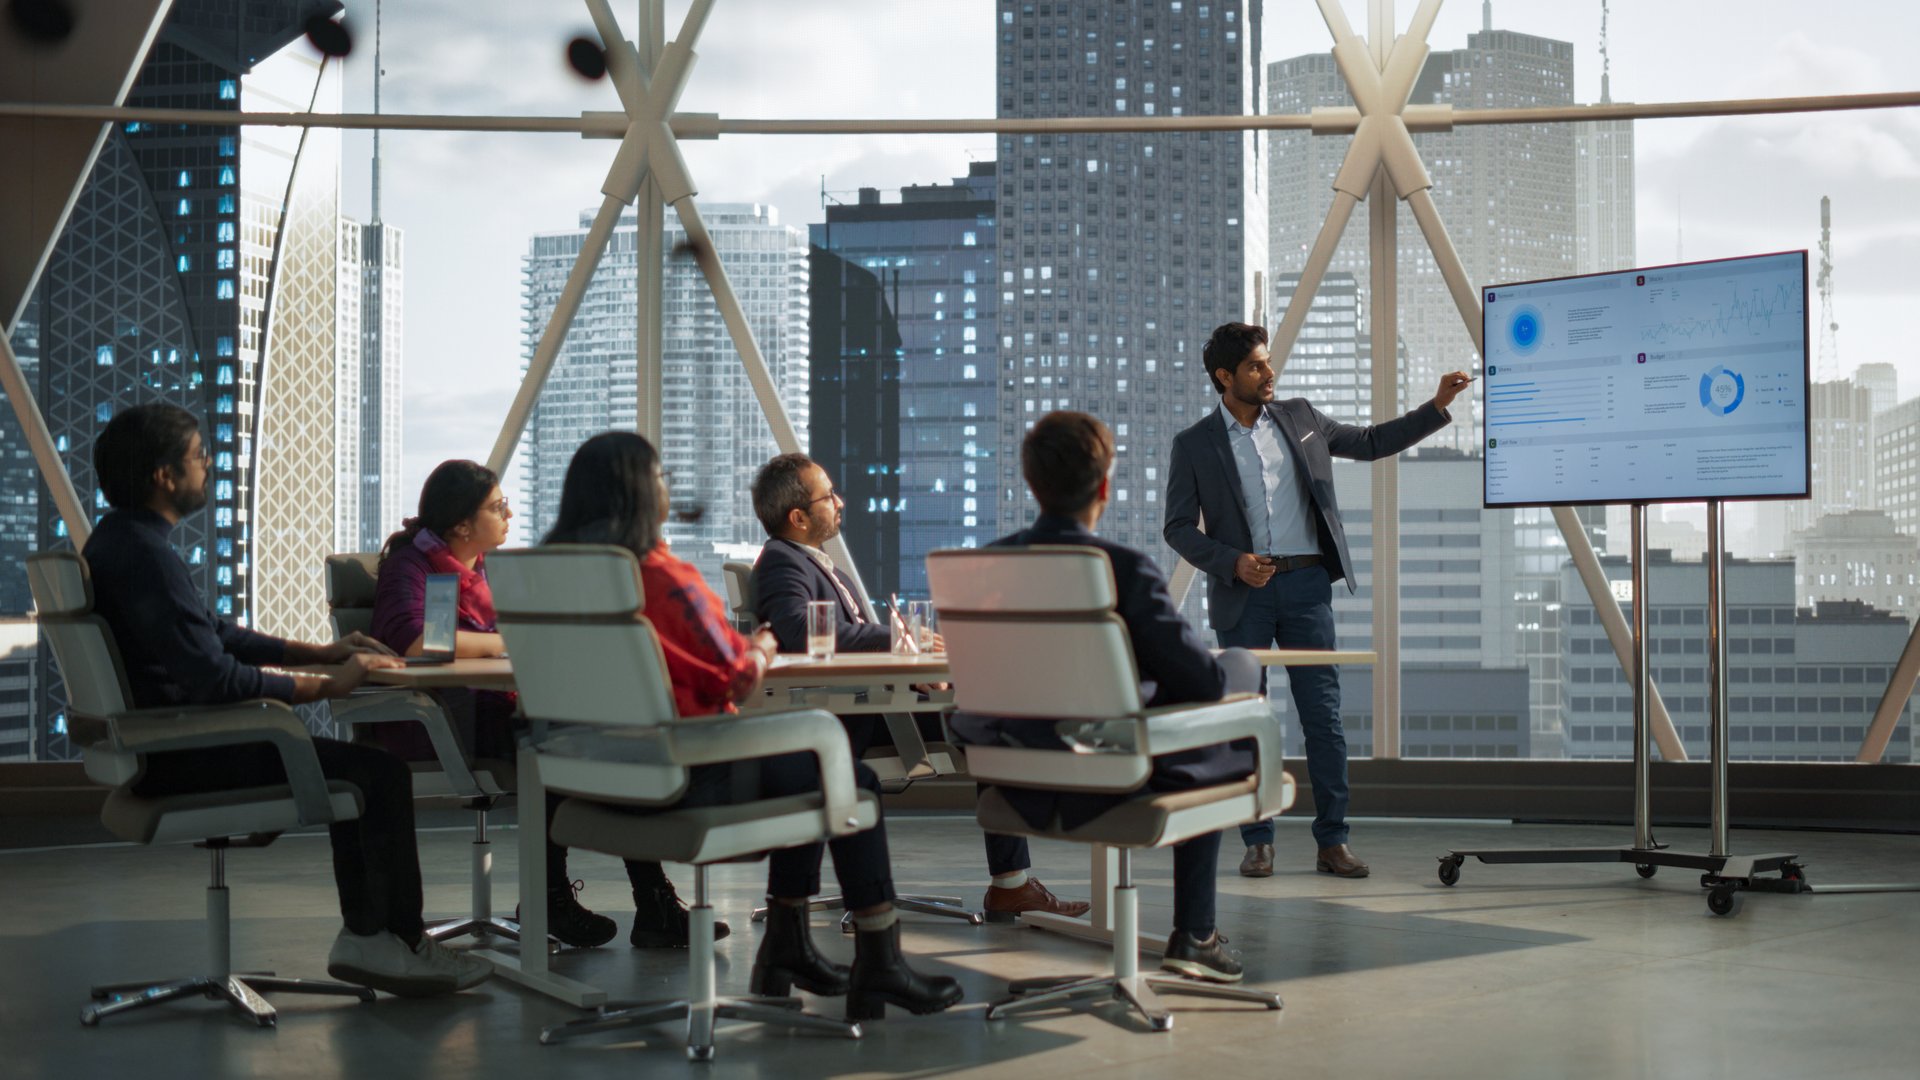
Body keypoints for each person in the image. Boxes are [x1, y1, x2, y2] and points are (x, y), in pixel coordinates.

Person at [543, 432, 963, 1021]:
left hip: (592, 785)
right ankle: (878, 965)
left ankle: (786, 950)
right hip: (689, 781)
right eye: (661, 481)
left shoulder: (547, 583)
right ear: (645, 497)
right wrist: (763, 643)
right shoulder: (662, 577)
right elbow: (735, 677)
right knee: (847, 776)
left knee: (812, 768)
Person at [80, 403, 491, 997]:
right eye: (199, 458)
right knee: (377, 774)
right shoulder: (148, 556)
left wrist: (322, 654)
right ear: (164, 477)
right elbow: (216, 680)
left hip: (165, 743)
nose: (209, 467)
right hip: (186, 751)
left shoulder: (123, 543)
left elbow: (215, 636)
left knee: (359, 768)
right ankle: (391, 943)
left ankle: (372, 938)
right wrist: (330, 686)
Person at [949, 410, 1267, 983]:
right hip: (1112, 778)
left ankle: (1193, 932)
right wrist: (1234, 673)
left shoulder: (987, 568)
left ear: (1032, 484)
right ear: (1102, 486)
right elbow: (1201, 683)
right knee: (1235, 675)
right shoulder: (1119, 569)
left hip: (1018, 785)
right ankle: (1195, 933)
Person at [369, 460, 724, 950]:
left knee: (604, 733)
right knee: (564, 740)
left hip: (501, 708)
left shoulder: (492, 571)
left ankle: (648, 901)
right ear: (460, 524)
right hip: (440, 717)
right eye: (497, 507)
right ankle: (558, 899)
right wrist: (509, 641)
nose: (509, 514)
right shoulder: (410, 566)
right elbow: (413, 641)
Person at [1164, 321, 1471, 880]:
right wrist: (1231, 561)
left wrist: (1437, 405)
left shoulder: (1301, 418)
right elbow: (1178, 527)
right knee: (1247, 720)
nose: (1268, 372)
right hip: (1243, 594)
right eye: (1256, 366)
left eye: (1268, 361)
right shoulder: (1193, 445)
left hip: (1306, 589)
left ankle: (1333, 841)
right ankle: (1258, 841)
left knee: (1323, 718)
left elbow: (1372, 442)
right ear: (1225, 377)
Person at [748, 452, 1092, 923]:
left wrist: (909, 665)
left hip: (871, 702)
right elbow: (803, 633)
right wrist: (896, 638)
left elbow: (842, 643)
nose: (840, 502)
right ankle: (1014, 877)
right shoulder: (783, 563)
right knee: (991, 721)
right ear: (798, 516)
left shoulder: (818, 565)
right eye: (828, 495)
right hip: (854, 718)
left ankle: (1012, 880)